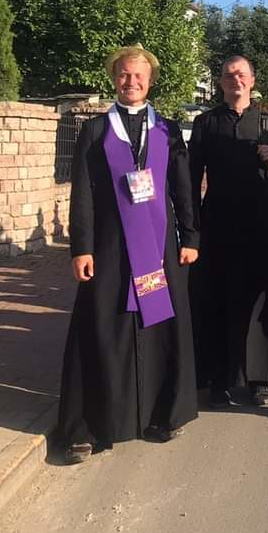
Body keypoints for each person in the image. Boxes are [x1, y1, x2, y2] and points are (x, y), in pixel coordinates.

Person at [58, 46, 199, 464]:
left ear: (150, 80)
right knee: (104, 324)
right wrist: (80, 247)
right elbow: (82, 192)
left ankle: (162, 414)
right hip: (108, 245)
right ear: (113, 78)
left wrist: (190, 236)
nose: (131, 82)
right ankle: (91, 424)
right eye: (123, 75)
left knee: (161, 325)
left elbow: (183, 188)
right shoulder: (97, 131)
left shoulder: (168, 130)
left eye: (139, 76)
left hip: (158, 246)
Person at [189, 56, 268, 408]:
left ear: (252, 80)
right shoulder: (205, 123)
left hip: (261, 226)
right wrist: (190, 228)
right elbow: (190, 179)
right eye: (229, 75)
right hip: (217, 224)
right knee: (217, 301)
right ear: (220, 82)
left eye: (242, 74)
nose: (235, 79)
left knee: (258, 304)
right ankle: (219, 378)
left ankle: (259, 379)